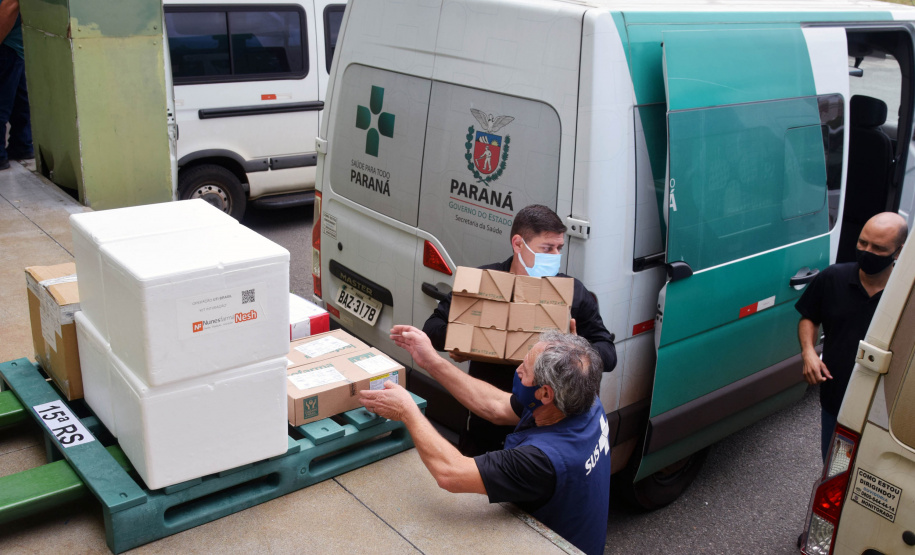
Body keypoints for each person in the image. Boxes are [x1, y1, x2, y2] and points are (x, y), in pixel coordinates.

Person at [361, 326, 611, 555]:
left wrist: (407, 411)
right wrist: (431, 361)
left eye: (525, 370)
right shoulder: (582, 401)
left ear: (545, 393)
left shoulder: (542, 461)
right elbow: (495, 406)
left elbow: (451, 473)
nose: (517, 371)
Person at [423, 204, 616, 455]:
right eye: (547, 248)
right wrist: (465, 340)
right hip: (485, 422)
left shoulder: (572, 293)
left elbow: (608, 353)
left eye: (559, 248)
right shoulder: (484, 282)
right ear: (518, 244)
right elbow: (432, 327)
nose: (555, 255)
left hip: (545, 431)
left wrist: (575, 351)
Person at [796, 212, 908, 460]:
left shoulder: (907, 296)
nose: (867, 251)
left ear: (898, 252)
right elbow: (809, 317)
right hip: (837, 402)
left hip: (886, 413)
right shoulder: (833, 278)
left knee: (874, 472)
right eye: (862, 242)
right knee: (837, 468)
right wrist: (808, 352)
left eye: (878, 248)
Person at [0, 0, 33, 171]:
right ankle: (22, 144)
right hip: (12, 43)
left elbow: (11, 4)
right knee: (18, 99)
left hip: (5, 41)